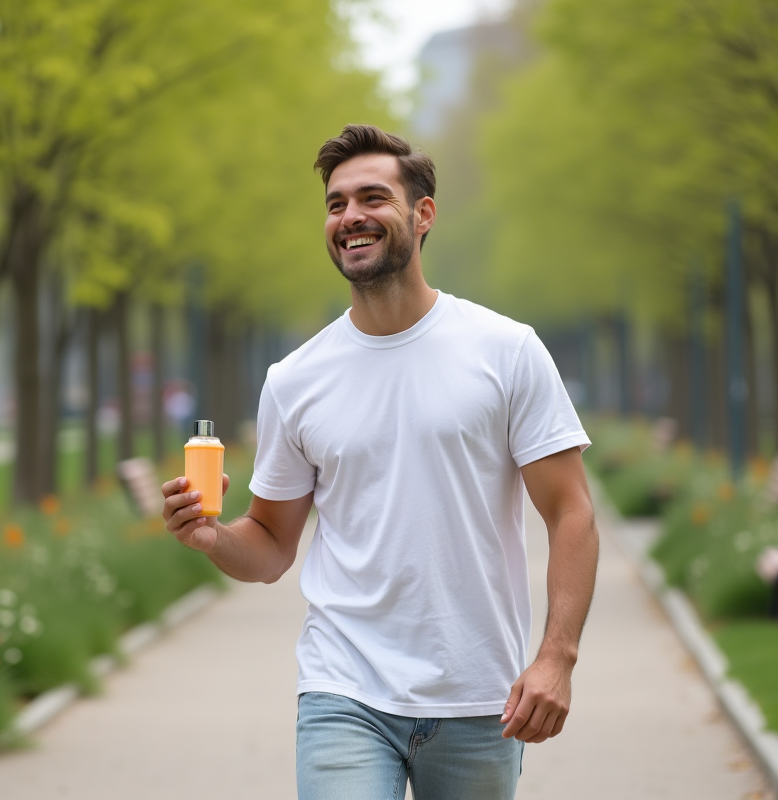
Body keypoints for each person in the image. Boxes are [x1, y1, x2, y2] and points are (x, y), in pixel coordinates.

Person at [162, 124, 599, 800]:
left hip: (479, 695)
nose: (351, 217)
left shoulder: (506, 351)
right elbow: (273, 546)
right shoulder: (295, 379)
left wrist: (557, 657)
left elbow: (571, 511)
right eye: (336, 204)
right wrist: (211, 536)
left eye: (373, 197)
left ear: (423, 214)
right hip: (345, 690)